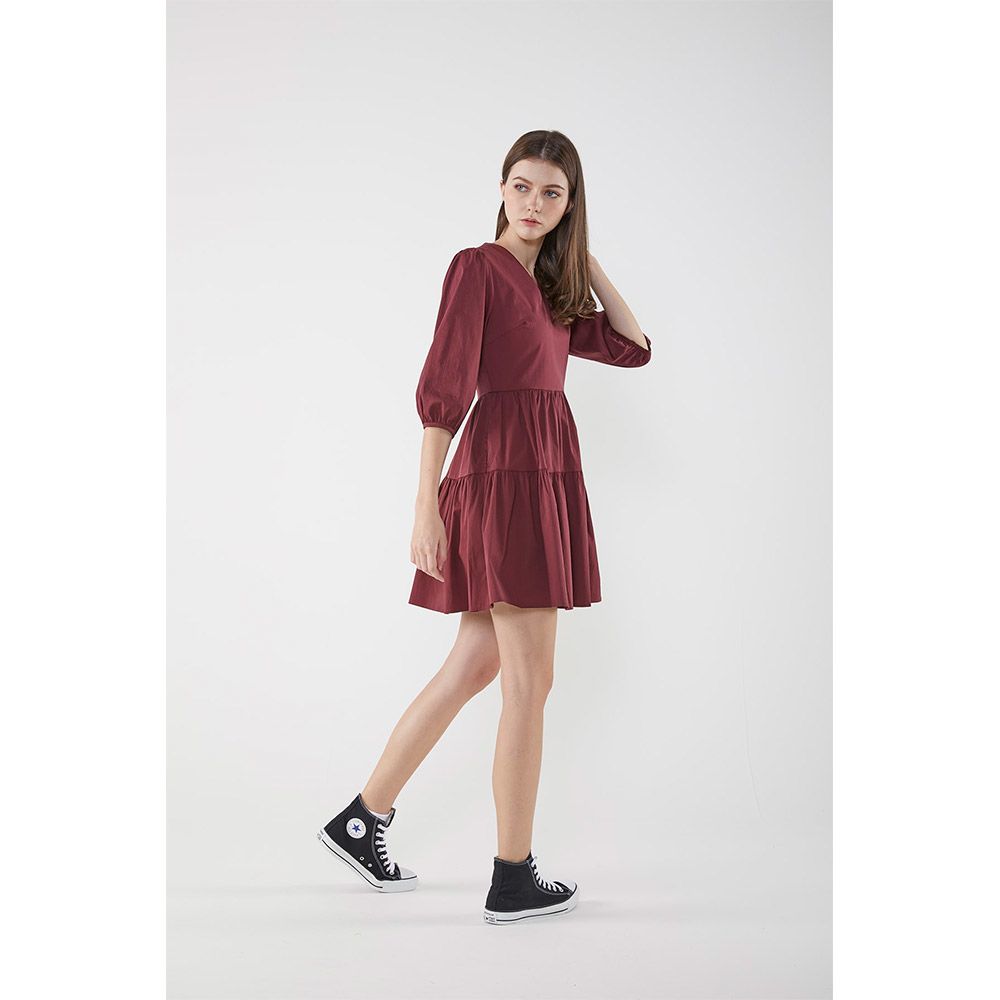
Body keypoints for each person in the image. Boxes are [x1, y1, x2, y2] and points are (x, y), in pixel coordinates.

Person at [318, 130, 652, 924]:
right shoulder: (478, 267)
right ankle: (512, 875)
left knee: (472, 667)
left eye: (552, 193)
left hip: (537, 473)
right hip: (504, 477)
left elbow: (634, 346)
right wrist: (425, 502)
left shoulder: (556, 294)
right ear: (500, 188)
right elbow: (444, 385)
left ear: (570, 207)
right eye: (522, 186)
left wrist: (583, 259)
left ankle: (362, 819)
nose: (533, 203)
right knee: (530, 684)